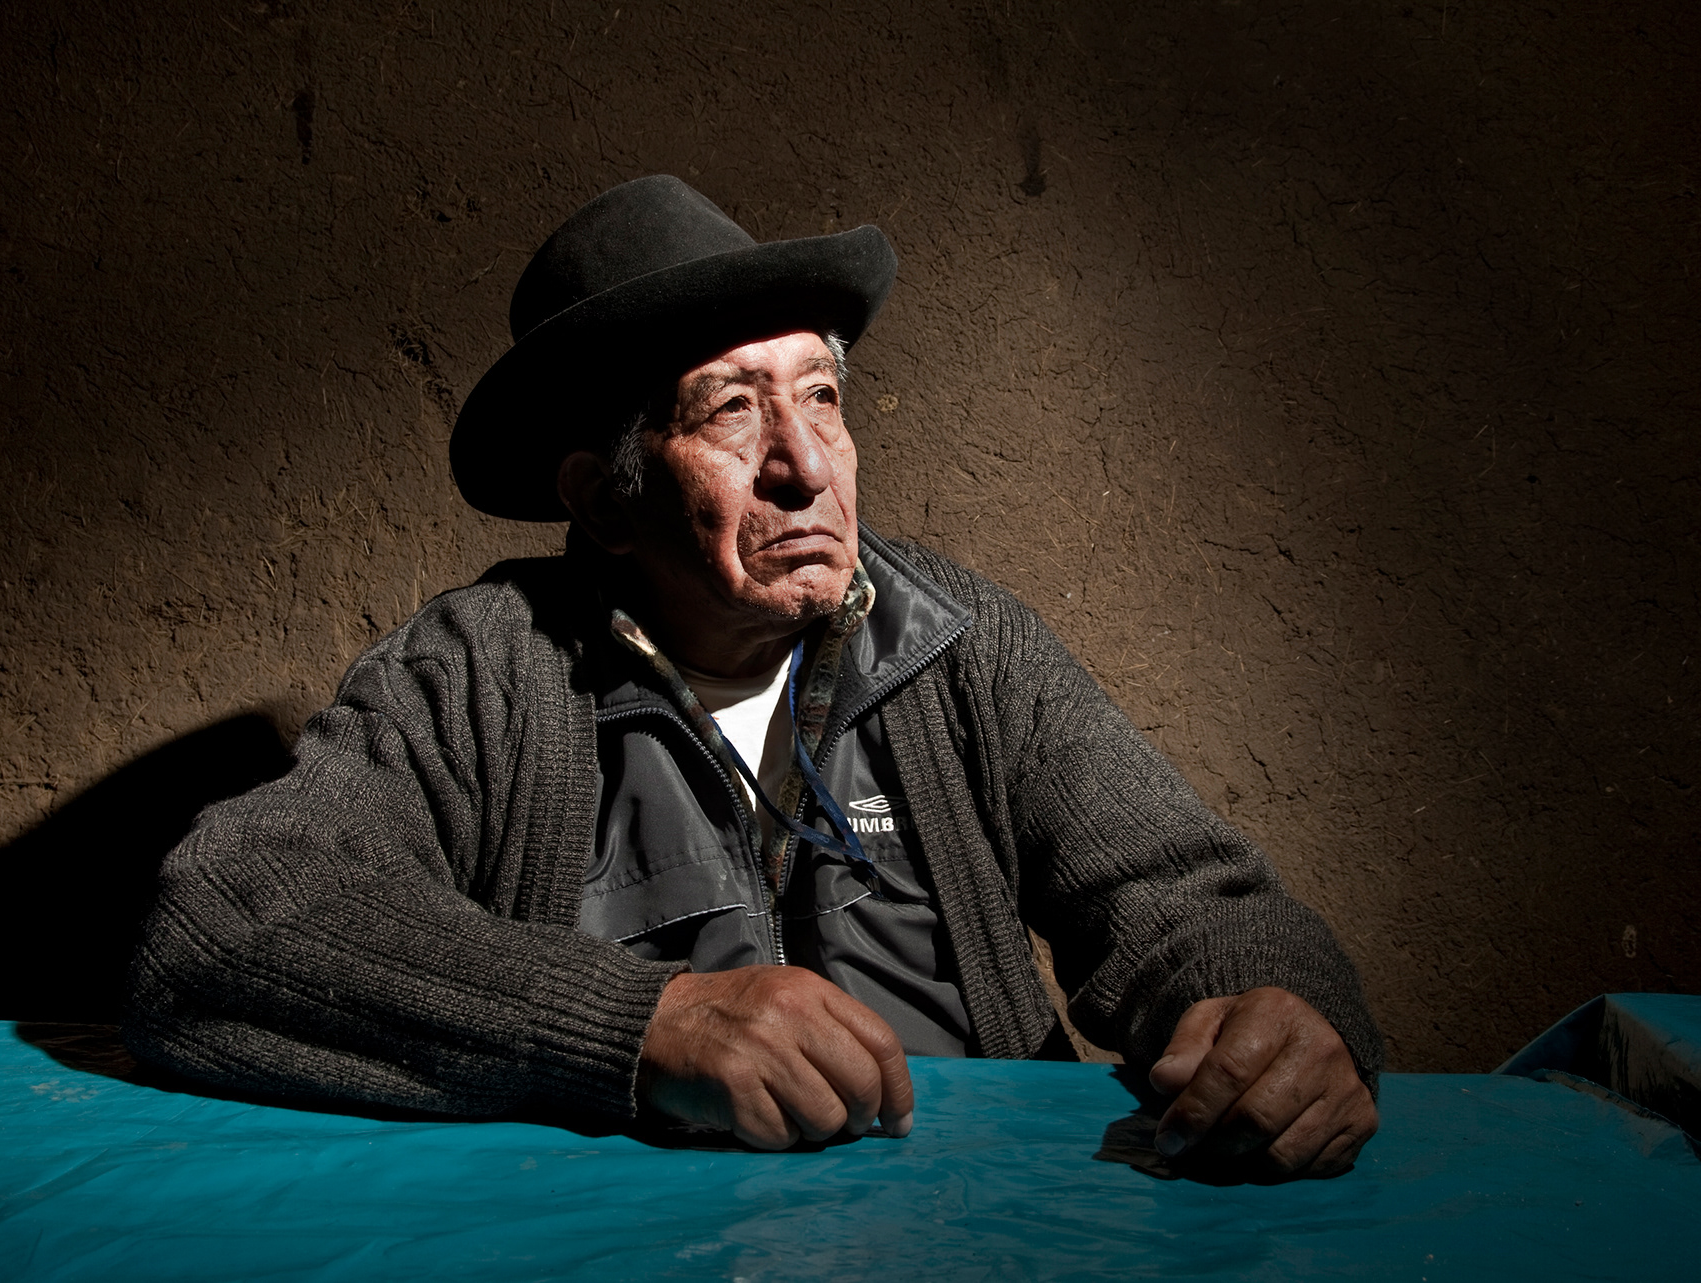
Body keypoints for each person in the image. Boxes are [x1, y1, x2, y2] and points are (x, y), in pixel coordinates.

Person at [124, 175, 1382, 1179]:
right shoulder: (483, 671)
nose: (806, 466)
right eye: (732, 410)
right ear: (601, 499)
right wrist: (639, 1026)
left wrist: (1286, 1011)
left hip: (987, 1232)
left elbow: (1189, 898)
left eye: (822, 398)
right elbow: (224, 922)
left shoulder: (960, 640)